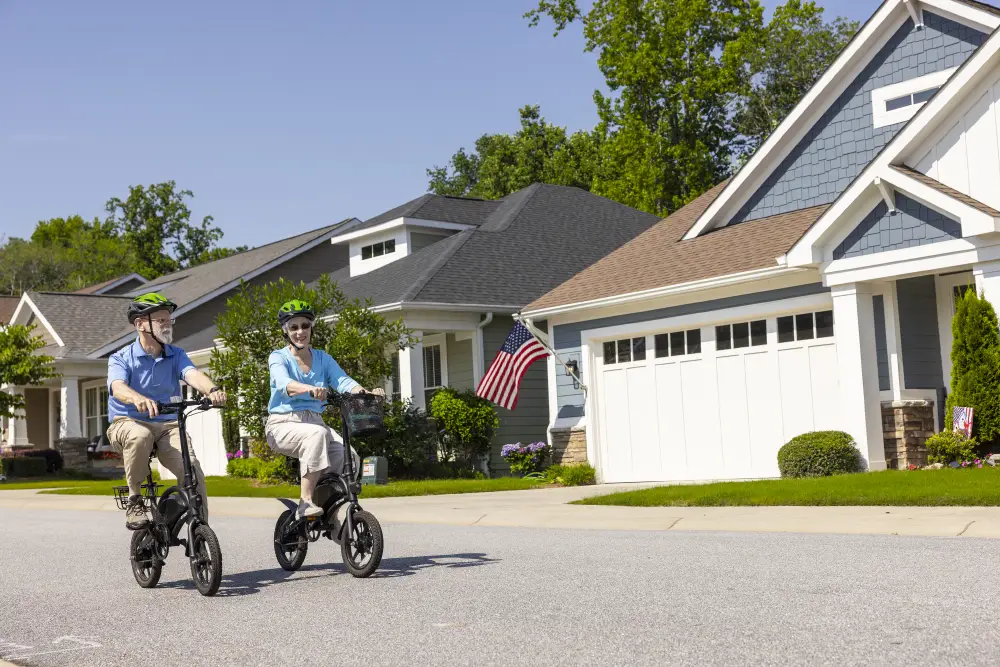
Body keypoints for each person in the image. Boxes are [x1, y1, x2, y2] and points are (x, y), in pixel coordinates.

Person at [106, 292, 227, 530]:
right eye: (161, 320)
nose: (167, 324)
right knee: (140, 436)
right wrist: (137, 398)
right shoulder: (121, 358)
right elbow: (117, 387)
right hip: (127, 422)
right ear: (140, 324)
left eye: (169, 319)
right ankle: (134, 500)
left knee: (192, 470)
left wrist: (212, 389)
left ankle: (200, 527)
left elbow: (191, 374)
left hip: (167, 425)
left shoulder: (176, 354)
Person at [265, 299, 382, 519]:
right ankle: (305, 502)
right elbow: (283, 383)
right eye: (294, 327)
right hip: (282, 424)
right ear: (286, 331)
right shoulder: (278, 357)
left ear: (311, 327)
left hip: (315, 422)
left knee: (349, 456)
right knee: (316, 435)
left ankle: (330, 511)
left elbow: (343, 381)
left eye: (305, 325)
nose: (300, 331)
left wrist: (365, 392)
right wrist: (309, 389)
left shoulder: (322, 358)